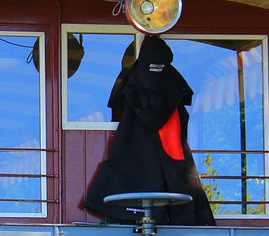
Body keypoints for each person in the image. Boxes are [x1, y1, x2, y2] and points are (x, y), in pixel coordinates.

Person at [83, 35, 216, 226]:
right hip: (171, 184)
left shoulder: (128, 87)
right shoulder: (174, 89)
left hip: (128, 187)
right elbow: (175, 152)